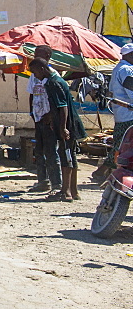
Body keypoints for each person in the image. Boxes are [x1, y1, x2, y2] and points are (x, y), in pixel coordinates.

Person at [30, 57, 86, 201]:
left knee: (65, 155)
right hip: (64, 123)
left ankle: (65, 192)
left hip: (67, 125)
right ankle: (74, 191)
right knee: (71, 155)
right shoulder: (53, 81)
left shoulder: (53, 83)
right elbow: (58, 105)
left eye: (35, 71)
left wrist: (63, 128)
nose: (34, 75)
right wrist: (49, 115)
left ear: (42, 69)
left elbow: (63, 107)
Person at [93, 42, 133, 182]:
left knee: (120, 144)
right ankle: (101, 171)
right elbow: (131, 92)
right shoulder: (127, 70)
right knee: (121, 146)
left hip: (121, 114)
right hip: (129, 114)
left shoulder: (118, 69)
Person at [27, 45, 60, 193]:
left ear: (47, 56)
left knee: (51, 151)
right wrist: (32, 114)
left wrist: (51, 115)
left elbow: (58, 100)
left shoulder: (54, 76)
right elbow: (31, 94)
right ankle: (42, 181)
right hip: (38, 117)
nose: (35, 56)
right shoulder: (33, 75)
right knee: (39, 150)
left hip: (49, 120)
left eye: (38, 54)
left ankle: (56, 183)